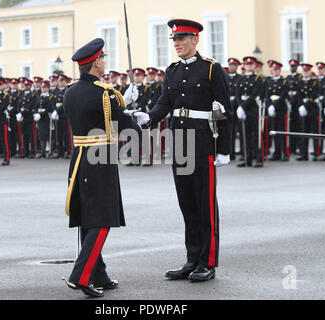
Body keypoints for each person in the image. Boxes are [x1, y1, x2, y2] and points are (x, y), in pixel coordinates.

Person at [135, 19, 232, 281]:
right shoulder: (173, 71)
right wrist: (149, 118)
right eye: (174, 40)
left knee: (205, 205)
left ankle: (207, 262)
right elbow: (164, 102)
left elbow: (225, 111)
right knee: (187, 203)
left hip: (203, 143)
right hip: (181, 143)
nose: (177, 43)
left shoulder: (211, 70)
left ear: (195, 40)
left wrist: (224, 149)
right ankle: (192, 259)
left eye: (182, 39)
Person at [61, 38, 140, 298]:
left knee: (88, 216)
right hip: (100, 157)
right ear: (96, 62)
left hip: (79, 156)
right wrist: (133, 115)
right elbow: (124, 127)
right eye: (103, 58)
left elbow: (92, 115)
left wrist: (122, 104)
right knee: (103, 217)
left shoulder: (70, 90)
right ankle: (81, 276)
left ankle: (98, 273)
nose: (104, 62)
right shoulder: (105, 94)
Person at [236, 56, 265, 167]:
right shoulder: (241, 79)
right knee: (245, 135)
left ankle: (258, 159)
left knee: (256, 134)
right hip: (243, 109)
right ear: (244, 66)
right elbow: (238, 94)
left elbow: (254, 94)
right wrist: (240, 106)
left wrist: (242, 106)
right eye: (247, 64)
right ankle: (247, 158)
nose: (248, 66)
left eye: (251, 64)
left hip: (253, 109)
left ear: (254, 66)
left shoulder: (258, 79)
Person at [265, 62, 289, 161]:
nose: (275, 71)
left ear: (280, 70)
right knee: (274, 131)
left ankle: (284, 153)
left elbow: (283, 95)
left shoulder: (284, 81)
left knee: (282, 131)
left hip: (280, 109)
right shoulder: (268, 81)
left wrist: (274, 106)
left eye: (277, 70)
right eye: (274, 69)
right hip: (272, 110)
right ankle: (276, 153)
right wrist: (269, 106)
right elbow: (267, 94)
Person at [296, 63, 321, 161]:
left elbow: (314, 95)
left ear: (310, 72)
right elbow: (298, 96)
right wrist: (301, 105)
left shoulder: (315, 82)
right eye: (304, 71)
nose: (305, 73)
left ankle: (316, 153)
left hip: (312, 109)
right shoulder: (300, 82)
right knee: (303, 132)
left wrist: (305, 105)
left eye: (307, 71)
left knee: (315, 132)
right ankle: (304, 154)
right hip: (303, 110)